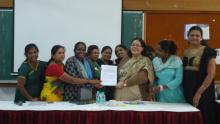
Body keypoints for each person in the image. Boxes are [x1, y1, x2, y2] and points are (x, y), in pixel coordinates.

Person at [182, 26, 217, 124]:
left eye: (197, 35)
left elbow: (211, 74)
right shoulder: (185, 51)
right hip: (188, 88)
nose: (194, 37)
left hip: (203, 90)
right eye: (192, 35)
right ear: (188, 37)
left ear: (201, 38)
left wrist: (199, 93)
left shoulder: (209, 51)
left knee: (203, 116)